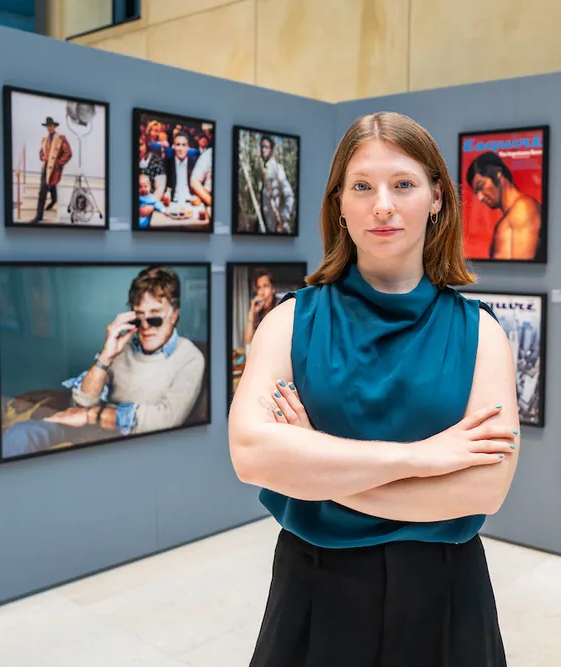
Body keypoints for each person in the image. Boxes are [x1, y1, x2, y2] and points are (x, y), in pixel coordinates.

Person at [228, 112, 519, 666]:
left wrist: (319, 469)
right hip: (315, 588)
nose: (382, 205)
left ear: (437, 197)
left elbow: (484, 491)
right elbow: (251, 454)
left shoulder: (481, 333)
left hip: (445, 592)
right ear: (339, 202)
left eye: (403, 184)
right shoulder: (290, 321)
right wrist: (421, 458)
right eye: (362, 186)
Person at [1, 266, 206, 457]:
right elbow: (82, 402)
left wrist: (92, 416)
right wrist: (106, 356)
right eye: (138, 317)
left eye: (155, 317)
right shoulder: (123, 346)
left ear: (174, 314)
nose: (145, 327)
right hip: (88, 427)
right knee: (21, 434)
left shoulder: (190, 358)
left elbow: (165, 420)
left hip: (131, 440)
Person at [465, 151, 543, 261]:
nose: (480, 197)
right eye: (476, 192)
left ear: (497, 174)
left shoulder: (522, 210)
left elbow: (519, 269)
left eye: (481, 186)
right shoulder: (514, 213)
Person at [29, 116, 72, 224]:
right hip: (45, 168)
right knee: (44, 189)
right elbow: (41, 152)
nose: (49, 128)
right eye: (48, 126)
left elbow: (68, 153)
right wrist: (42, 156)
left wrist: (58, 163)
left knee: (48, 187)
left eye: (51, 126)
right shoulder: (45, 139)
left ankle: (44, 211)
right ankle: (44, 210)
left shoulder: (60, 138)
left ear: (54, 126)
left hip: (54, 168)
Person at [259, 135, 295, 234]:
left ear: (271, 149)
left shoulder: (277, 168)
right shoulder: (262, 168)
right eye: (261, 147)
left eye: (266, 147)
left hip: (275, 225)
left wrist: (284, 216)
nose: (263, 150)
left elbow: (289, 195)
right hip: (264, 224)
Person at [243, 269, 277, 346]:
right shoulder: (258, 311)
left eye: (265, 286)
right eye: (259, 288)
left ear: (273, 289)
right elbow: (247, 341)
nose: (262, 292)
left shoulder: (280, 307)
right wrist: (252, 312)